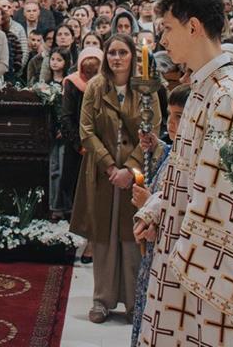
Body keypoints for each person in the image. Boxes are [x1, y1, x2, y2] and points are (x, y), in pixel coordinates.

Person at [135, 0, 233, 346]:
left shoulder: (227, 95)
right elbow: (184, 169)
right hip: (183, 244)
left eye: (168, 28)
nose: (162, 39)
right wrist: (157, 209)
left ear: (194, 26)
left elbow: (223, 196)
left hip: (204, 265)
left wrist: (182, 254)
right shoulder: (203, 86)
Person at [70, 34, 159, 323]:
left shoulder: (145, 88)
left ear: (133, 56)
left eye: (123, 52)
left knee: (132, 236)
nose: (117, 58)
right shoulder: (96, 86)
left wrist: (130, 169)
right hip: (102, 173)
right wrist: (110, 167)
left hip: (135, 174)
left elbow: (153, 128)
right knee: (104, 237)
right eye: (112, 53)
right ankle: (102, 300)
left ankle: (134, 302)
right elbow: (86, 129)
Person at [130, 83, 191, 346]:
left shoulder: (193, 156)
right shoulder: (178, 148)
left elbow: (181, 201)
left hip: (169, 251)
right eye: (170, 116)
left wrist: (148, 204)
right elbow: (169, 161)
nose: (172, 123)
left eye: (180, 116)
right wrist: (157, 146)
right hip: (155, 252)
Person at [55, 46, 100, 223]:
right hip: (76, 144)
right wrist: (80, 144)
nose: (90, 76)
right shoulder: (72, 82)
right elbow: (66, 117)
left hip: (99, 144)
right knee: (74, 183)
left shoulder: (106, 83)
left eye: (94, 71)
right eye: (87, 71)